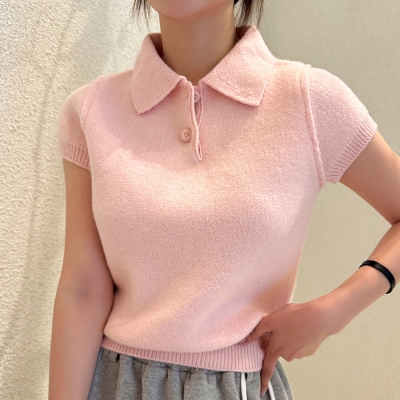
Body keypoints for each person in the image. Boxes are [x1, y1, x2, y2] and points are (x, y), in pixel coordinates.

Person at [48, 0, 400, 399]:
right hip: (115, 384)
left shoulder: (309, 100)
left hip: (237, 385)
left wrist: (334, 310)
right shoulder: (92, 111)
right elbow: (84, 288)